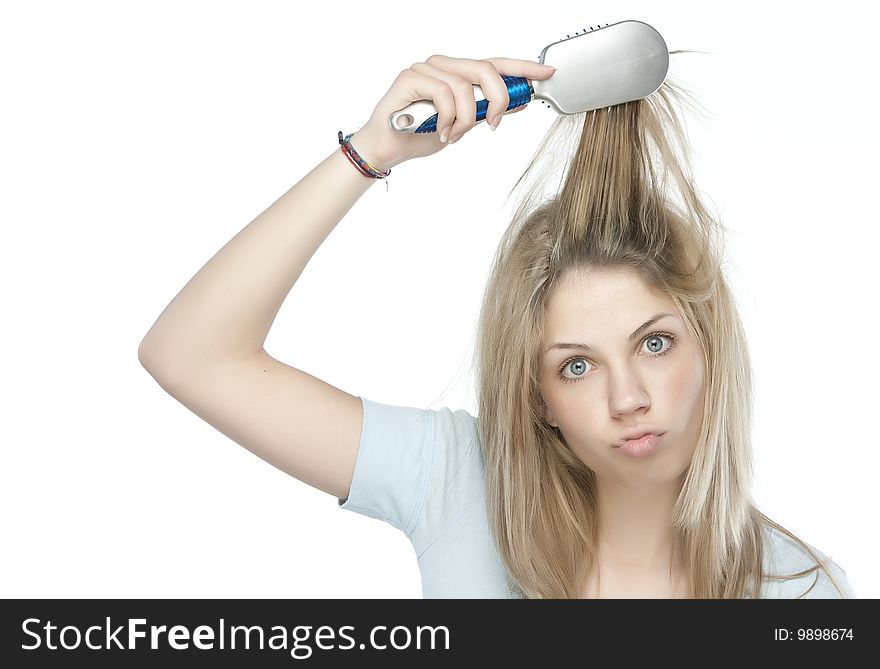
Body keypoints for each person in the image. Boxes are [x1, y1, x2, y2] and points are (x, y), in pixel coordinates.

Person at [138, 53, 854, 599]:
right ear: (538, 395)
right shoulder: (459, 482)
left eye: (654, 343)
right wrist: (370, 153)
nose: (628, 396)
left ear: (708, 348)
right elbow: (191, 355)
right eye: (578, 364)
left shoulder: (801, 590)